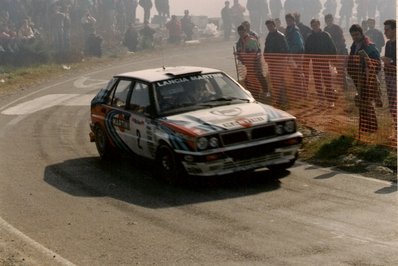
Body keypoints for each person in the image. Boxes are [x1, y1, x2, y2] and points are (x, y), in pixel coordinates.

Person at [347, 24, 381, 134]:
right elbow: (351, 61)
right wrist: (351, 72)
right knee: (361, 102)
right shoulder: (354, 46)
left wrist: (369, 75)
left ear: (361, 33)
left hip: (368, 79)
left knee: (367, 103)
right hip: (358, 79)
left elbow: (377, 64)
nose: (355, 37)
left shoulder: (369, 46)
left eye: (356, 34)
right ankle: (365, 127)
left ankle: (372, 128)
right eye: (352, 35)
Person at [305, 18, 337, 107]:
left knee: (327, 81)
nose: (314, 27)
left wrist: (333, 60)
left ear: (319, 25)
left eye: (316, 25)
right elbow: (307, 50)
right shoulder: (310, 37)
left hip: (325, 62)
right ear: (311, 26)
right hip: (315, 62)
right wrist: (306, 62)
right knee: (317, 81)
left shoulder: (325, 35)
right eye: (313, 25)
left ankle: (330, 101)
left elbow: (332, 48)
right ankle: (320, 99)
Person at [235, 24, 268, 100]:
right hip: (247, 64)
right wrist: (239, 55)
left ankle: (265, 92)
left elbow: (255, 52)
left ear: (245, 31)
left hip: (255, 63)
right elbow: (240, 51)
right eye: (239, 33)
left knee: (259, 76)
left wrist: (243, 55)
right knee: (247, 80)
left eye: (242, 32)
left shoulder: (251, 40)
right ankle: (255, 94)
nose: (240, 34)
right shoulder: (240, 41)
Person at [264, 19, 289, 107]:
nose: (269, 28)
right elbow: (266, 48)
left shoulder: (281, 36)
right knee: (274, 80)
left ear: (274, 26)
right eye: (268, 27)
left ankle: (283, 99)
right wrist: (266, 57)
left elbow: (286, 50)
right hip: (271, 62)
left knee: (279, 80)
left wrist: (279, 57)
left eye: (270, 26)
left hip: (279, 62)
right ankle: (279, 98)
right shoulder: (269, 36)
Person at [382, 19, 396, 137]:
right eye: (384, 30)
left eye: (387, 29)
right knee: (392, 105)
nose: (385, 32)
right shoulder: (388, 44)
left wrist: (390, 61)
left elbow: (391, 60)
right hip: (389, 76)